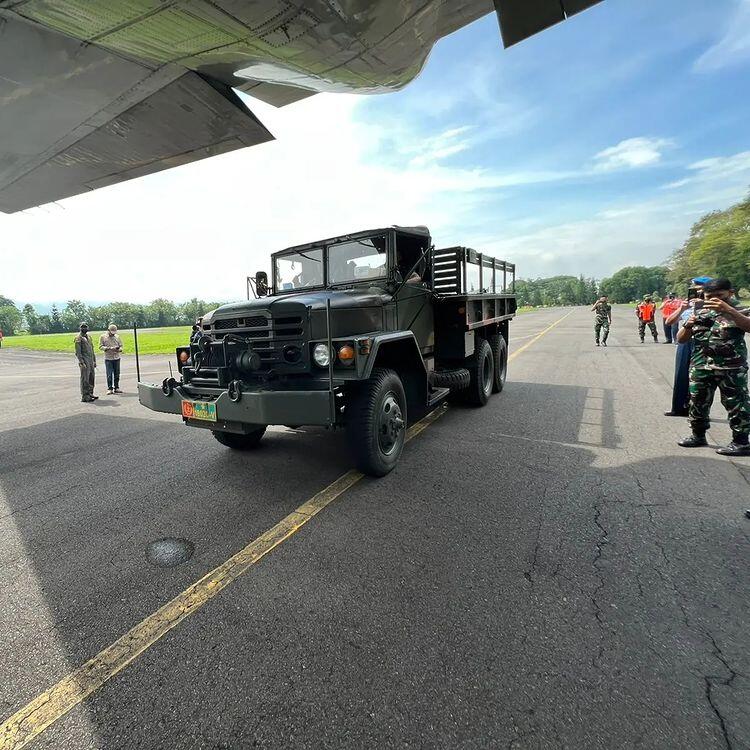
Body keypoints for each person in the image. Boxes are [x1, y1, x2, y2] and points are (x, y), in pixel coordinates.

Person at [677, 278, 750, 456]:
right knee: (697, 401)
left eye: (720, 296)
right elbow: (681, 339)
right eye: (710, 296)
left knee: (736, 404)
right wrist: (688, 325)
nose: (715, 299)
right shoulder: (701, 310)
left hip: (731, 367)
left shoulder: (741, 309)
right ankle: (698, 435)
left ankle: (741, 443)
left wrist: (729, 311)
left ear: (730, 293)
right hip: (701, 365)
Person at [664, 279, 709, 417]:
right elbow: (669, 321)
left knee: (701, 378)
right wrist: (682, 309)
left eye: (700, 289)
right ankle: (678, 407)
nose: (697, 292)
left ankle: (698, 411)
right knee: (681, 375)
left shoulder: (715, 303)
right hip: (686, 340)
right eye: (694, 289)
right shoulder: (687, 304)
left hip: (705, 342)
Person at [74, 322, 98, 403]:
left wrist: (94, 361)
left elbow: (92, 350)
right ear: (80, 328)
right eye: (82, 327)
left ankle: (90, 393)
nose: (84, 328)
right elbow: (78, 352)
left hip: (90, 360)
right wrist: (81, 362)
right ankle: (85, 396)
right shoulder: (78, 338)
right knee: (85, 378)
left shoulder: (89, 337)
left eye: (85, 327)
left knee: (92, 377)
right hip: (84, 360)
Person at [99, 323, 123, 395]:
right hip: (108, 358)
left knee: (117, 373)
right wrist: (108, 348)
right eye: (111, 332)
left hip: (116, 357)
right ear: (108, 330)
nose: (113, 334)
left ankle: (116, 387)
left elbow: (121, 346)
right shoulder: (103, 337)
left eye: (114, 332)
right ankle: (110, 388)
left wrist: (119, 349)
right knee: (109, 374)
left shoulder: (117, 337)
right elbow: (100, 346)